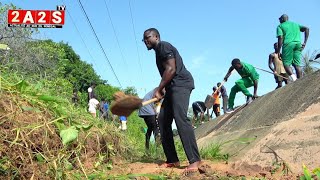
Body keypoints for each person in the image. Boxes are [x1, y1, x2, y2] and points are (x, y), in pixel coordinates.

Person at [143, 28, 201, 174]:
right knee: (162, 120)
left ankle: (195, 160)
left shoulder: (163, 46)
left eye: (147, 37)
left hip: (181, 83)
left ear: (156, 36)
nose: (145, 41)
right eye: (143, 39)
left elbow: (171, 69)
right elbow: (167, 73)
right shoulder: (158, 52)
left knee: (180, 118)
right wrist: (162, 89)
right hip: (172, 87)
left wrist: (159, 88)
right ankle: (172, 159)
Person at [276, 14, 309, 81]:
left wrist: (279, 51)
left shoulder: (280, 26)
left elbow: (280, 38)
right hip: (298, 44)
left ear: (282, 19)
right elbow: (307, 28)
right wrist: (305, 42)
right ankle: (300, 80)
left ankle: (294, 79)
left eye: (280, 19)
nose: (279, 20)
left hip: (288, 44)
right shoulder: (295, 24)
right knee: (297, 64)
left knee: (286, 64)